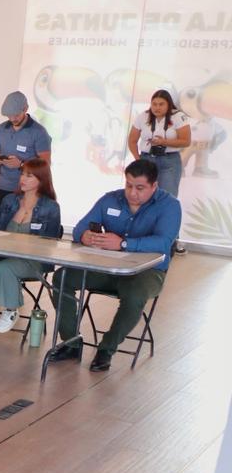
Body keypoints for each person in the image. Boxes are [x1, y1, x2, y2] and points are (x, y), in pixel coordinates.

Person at [49, 158, 180, 372]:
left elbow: (163, 243)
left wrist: (123, 243)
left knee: (135, 295)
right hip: (106, 267)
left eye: (140, 188)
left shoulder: (170, 206)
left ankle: (106, 349)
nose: (132, 193)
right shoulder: (110, 199)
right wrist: (85, 236)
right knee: (62, 277)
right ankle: (71, 342)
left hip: (147, 272)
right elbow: (80, 227)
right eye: (128, 185)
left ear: (154, 186)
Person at [0, 158, 63, 332]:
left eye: (29, 176)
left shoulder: (51, 207)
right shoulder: (9, 200)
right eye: (22, 174)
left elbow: (50, 243)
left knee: (4, 268)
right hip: (3, 253)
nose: (22, 179)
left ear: (41, 179)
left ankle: (11, 310)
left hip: (32, 259)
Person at [0, 91, 52, 226]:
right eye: (9, 116)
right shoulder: (1, 129)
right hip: (1, 188)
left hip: (25, 192)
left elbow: (45, 164)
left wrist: (21, 164)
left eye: (16, 115)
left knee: (17, 230)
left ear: (25, 109)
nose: (12, 119)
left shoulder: (39, 132)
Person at [127, 88, 190, 202]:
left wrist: (164, 142)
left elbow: (186, 141)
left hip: (169, 161)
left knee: (167, 198)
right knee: (142, 197)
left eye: (161, 104)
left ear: (169, 104)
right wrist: (138, 159)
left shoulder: (178, 116)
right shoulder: (143, 116)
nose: (157, 107)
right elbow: (132, 140)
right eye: (154, 104)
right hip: (146, 159)